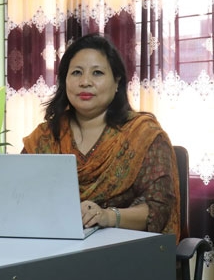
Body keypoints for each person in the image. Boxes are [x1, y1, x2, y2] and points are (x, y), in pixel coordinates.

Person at [22, 33, 180, 242]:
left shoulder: (144, 135)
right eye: (76, 73)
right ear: (64, 81)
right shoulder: (45, 137)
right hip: (53, 246)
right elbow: (19, 195)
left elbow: (158, 209)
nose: (85, 82)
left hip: (123, 253)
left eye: (97, 73)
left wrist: (107, 216)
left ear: (117, 82)